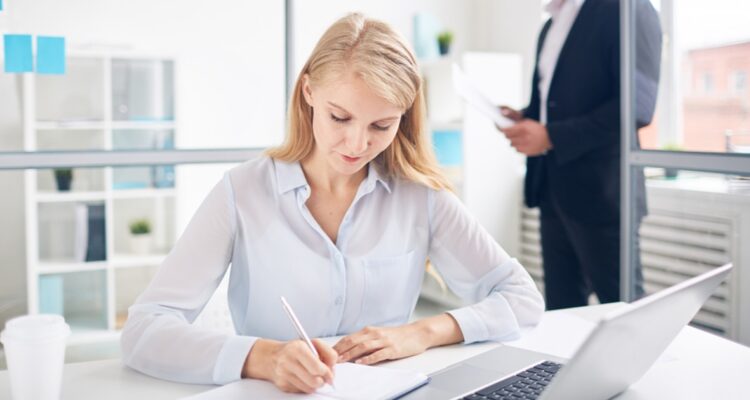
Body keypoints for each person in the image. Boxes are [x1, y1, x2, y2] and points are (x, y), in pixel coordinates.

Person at [121, 13, 544, 394]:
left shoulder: (422, 197)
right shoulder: (242, 191)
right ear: (308, 91)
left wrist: (426, 332)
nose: (358, 145)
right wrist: (263, 358)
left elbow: (523, 299)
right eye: (339, 117)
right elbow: (144, 330)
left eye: (382, 125)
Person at [497, 0, 661, 309]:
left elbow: (637, 107)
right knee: (562, 311)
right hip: (553, 190)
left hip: (604, 194)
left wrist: (550, 136)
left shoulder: (628, 9)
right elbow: (555, 102)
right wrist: (524, 117)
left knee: (625, 310)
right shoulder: (550, 24)